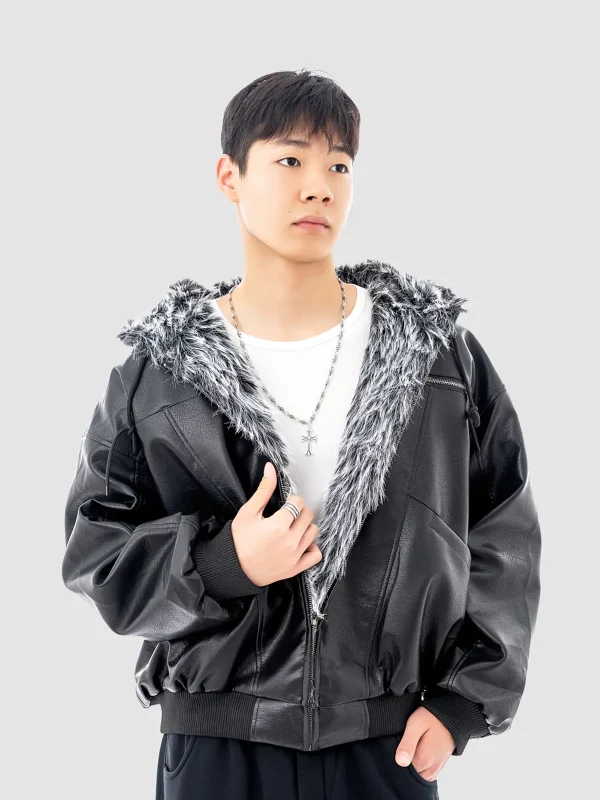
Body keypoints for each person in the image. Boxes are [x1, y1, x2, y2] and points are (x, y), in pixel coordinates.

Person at [62, 69, 542, 800]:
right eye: (290, 159)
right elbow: (94, 550)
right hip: (218, 748)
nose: (318, 187)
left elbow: (505, 529)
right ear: (230, 176)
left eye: (338, 166)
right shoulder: (158, 373)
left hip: (388, 745)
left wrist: (463, 701)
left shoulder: (436, 356)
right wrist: (223, 564)